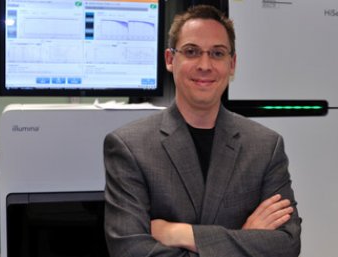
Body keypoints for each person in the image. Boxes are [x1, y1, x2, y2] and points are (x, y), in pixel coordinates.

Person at [103, 5, 301, 257]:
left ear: (232, 64)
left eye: (217, 53)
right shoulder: (129, 147)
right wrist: (246, 236)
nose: (205, 65)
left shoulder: (265, 146)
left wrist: (182, 234)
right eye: (191, 51)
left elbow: (287, 245)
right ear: (170, 60)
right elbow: (129, 251)